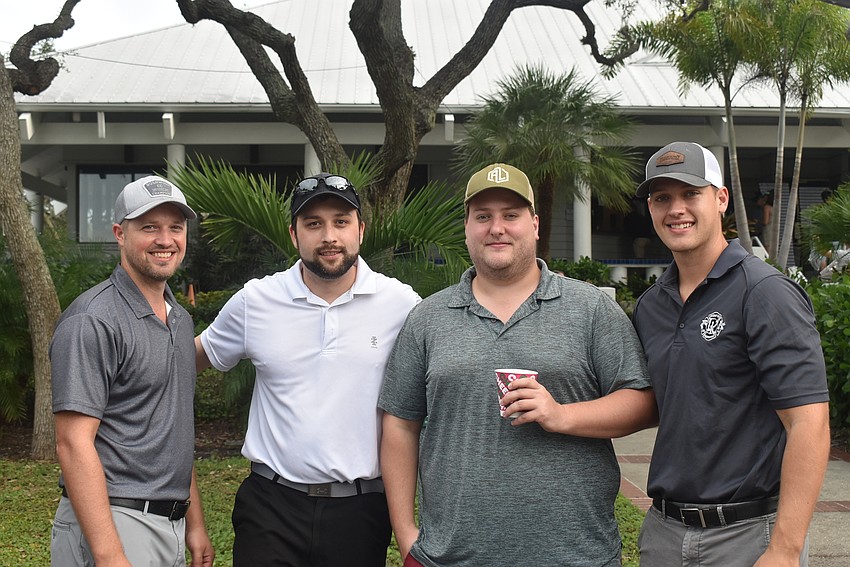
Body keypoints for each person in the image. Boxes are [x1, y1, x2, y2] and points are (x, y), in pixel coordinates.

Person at [379, 163, 658, 566]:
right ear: (467, 227)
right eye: (483, 217)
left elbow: (642, 402)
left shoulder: (591, 309)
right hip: (453, 557)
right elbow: (400, 425)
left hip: (575, 555)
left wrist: (562, 414)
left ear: (535, 225)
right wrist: (406, 535)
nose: (497, 228)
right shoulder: (428, 317)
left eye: (511, 215)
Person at [195, 173, 421, 566]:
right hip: (270, 507)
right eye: (313, 224)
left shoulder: (401, 305)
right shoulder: (257, 300)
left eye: (341, 221)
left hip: (361, 510)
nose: (329, 235)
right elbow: (186, 360)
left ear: (361, 230)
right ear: (294, 235)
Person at [632, 142, 831, 567]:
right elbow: (655, 401)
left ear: (720, 199)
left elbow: (808, 424)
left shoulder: (765, 292)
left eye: (690, 194)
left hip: (747, 537)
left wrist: (784, 549)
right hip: (664, 535)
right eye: (662, 198)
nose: (676, 209)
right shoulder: (651, 305)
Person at [50, 176, 214, 567]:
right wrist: (110, 555)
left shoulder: (180, 320)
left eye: (176, 227)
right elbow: (73, 443)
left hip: (168, 522)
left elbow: (172, 426)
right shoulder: (93, 320)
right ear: (120, 234)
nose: (165, 240)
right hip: (114, 522)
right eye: (149, 228)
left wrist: (194, 524)